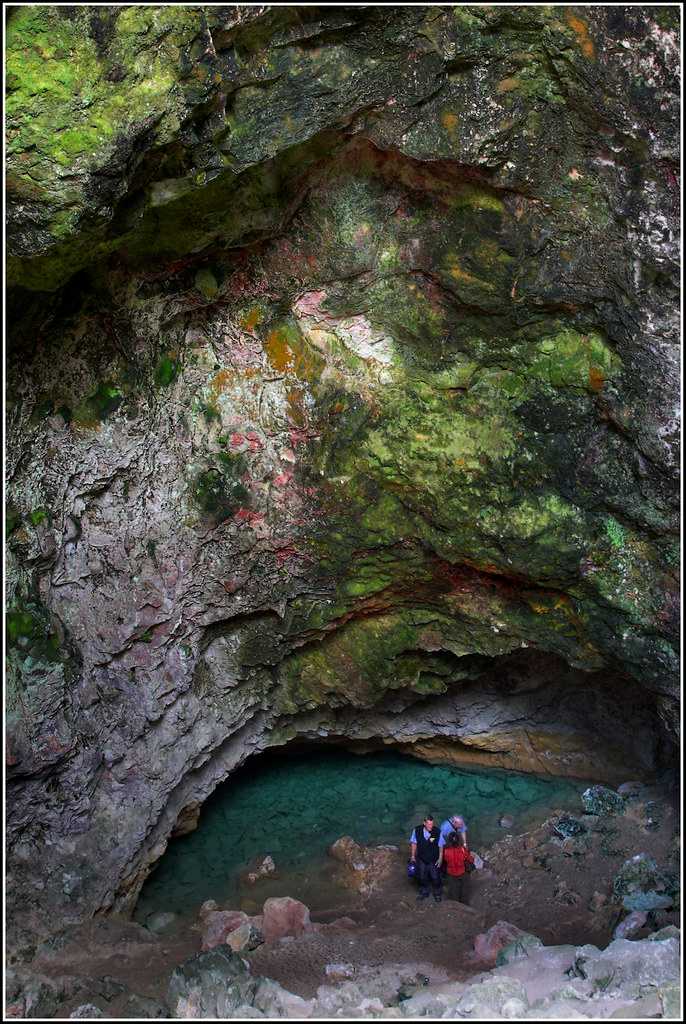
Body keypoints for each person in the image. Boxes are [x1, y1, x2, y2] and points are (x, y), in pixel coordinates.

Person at [409, 814, 444, 902]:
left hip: (433, 858)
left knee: (435, 877)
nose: (430, 826)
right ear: (424, 823)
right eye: (429, 824)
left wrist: (440, 858)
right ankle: (424, 892)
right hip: (421, 857)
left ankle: (437, 893)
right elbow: (414, 843)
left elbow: (441, 845)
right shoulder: (417, 830)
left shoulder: (437, 831)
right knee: (421, 876)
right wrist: (413, 856)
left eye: (432, 824)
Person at [442, 830, 474, 904]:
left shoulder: (446, 851)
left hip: (451, 873)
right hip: (462, 872)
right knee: (464, 890)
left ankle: (455, 905)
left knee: (454, 891)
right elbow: (470, 859)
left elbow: (444, 861)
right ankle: (465, 904)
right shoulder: (462, 850)